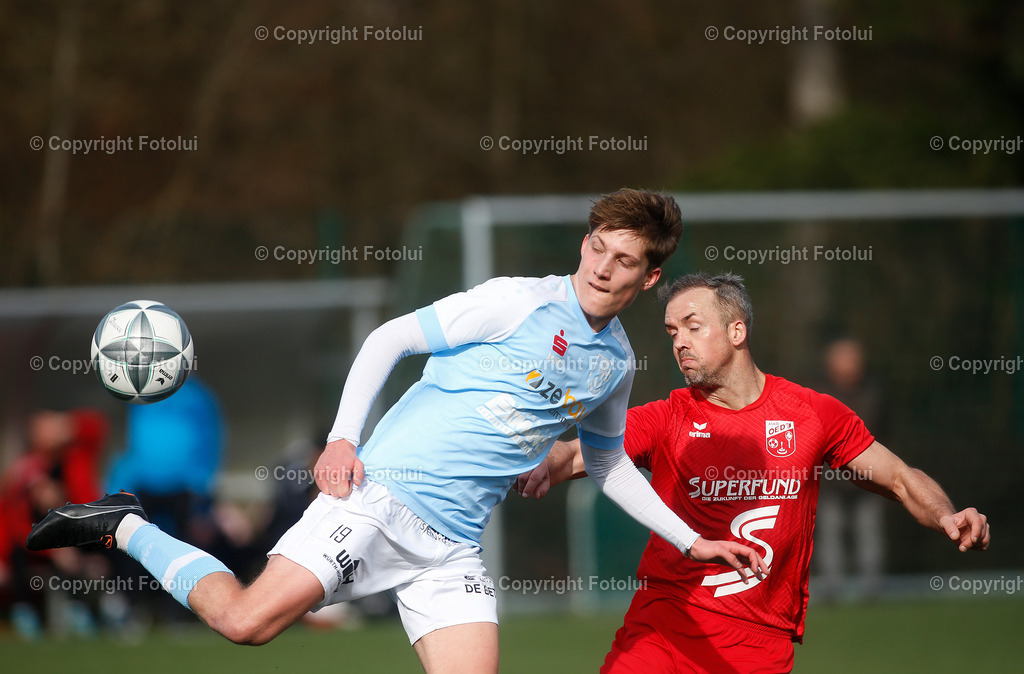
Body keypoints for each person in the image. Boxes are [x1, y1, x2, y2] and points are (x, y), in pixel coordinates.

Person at [26, 190, 765, 673]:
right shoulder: (516, 303)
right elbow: (389, 339)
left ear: (644, 280)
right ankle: (125, 526)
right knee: (246, 624)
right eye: (599, 246)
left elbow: (608, 466)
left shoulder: (613, 365)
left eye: (624, 261)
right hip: (378, 501)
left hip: (451, 548)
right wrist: (344, 439)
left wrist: (689, 539)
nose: (603, 266)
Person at [516, 272, 990, 673]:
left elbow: (901, 479)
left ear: (737, 332)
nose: (679, 340)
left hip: (759, 642)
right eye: (671, 331)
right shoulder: (669, 416)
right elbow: (577, 454)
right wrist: (539, 462)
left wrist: (946, 514)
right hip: (664, 627)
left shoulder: (813, 413)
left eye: (693, 326)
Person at [813, 337, 886, 601]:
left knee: (869, 534)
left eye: (852, 359)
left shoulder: (873, 392)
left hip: (868, 476)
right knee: (829, 535)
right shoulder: (818, 394)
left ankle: (872, 589)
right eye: (842, 359)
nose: (847, 365)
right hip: (831, 480)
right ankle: (832, 588)